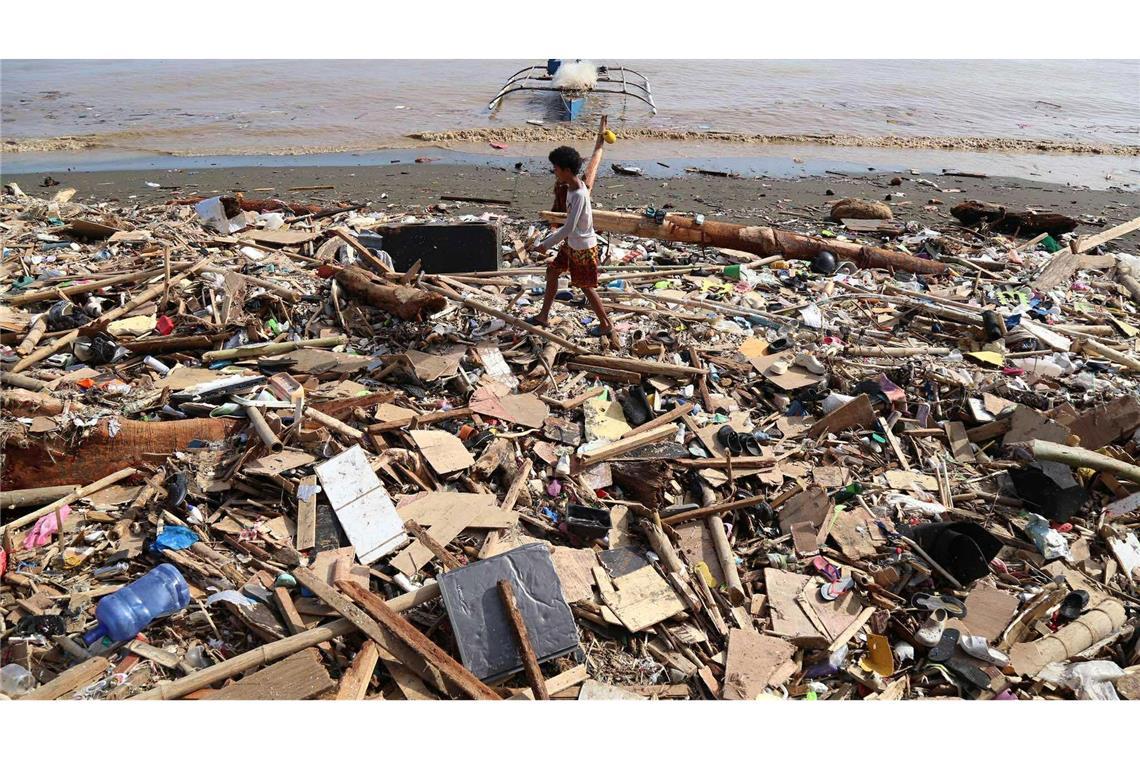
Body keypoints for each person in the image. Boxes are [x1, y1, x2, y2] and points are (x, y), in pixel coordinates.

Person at [528, 117, 613, 338]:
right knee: (552, 271)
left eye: (556, 168)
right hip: (572, 244)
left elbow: (568, 227)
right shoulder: (573, 186)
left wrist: (545, 245)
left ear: (566, 170)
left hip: (582, 247)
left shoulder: (579, 195)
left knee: (586, 286)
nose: (554, 172)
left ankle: (606, 323)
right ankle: (543, 316)